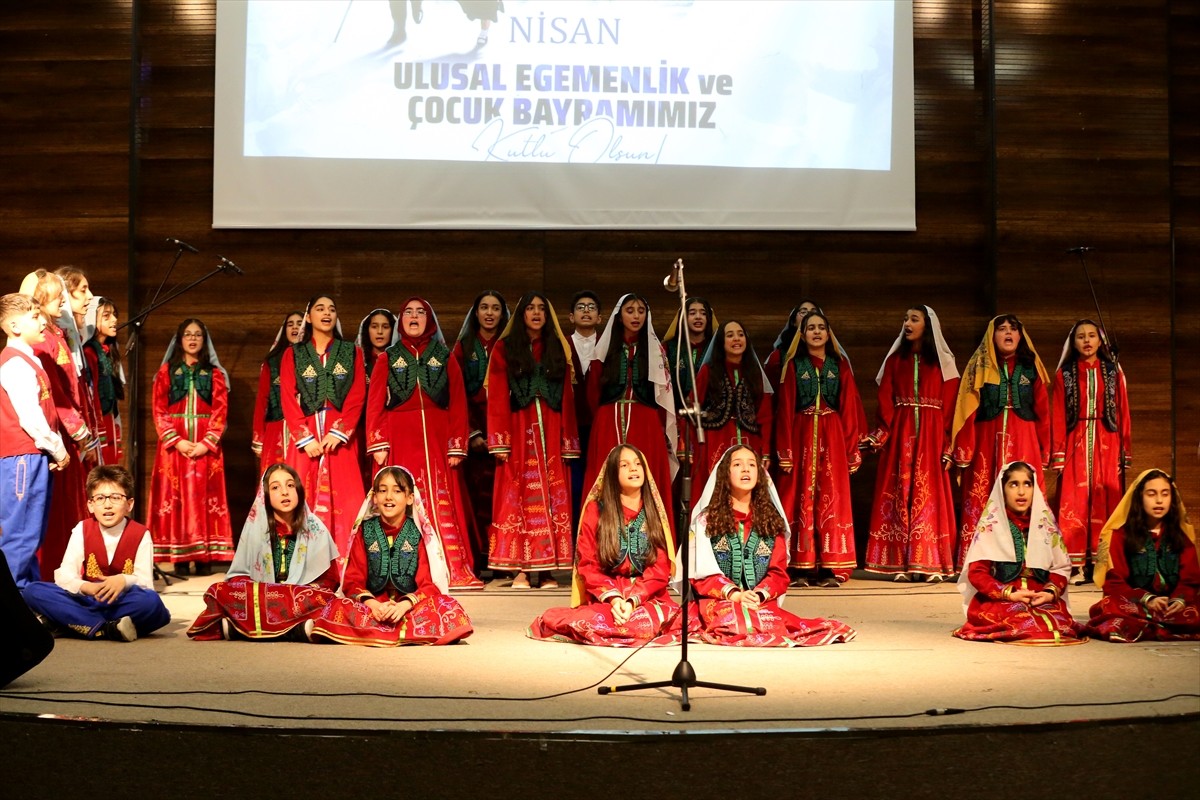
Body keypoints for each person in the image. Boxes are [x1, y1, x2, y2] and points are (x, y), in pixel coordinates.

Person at [681, 445, 857, 647]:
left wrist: (759, 594)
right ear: (724, 474)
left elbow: (778, 573)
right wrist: (736, 595)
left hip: (759, 601)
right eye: (737, 464)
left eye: (752, 465)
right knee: (734, 623)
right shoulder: (706, 520)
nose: (746, 469)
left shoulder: (771, 521)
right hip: (720, 600)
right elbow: (700, 573)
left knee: (767, 623)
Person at [365, 297, 482, 589]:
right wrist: (378, 443)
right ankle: (407, 570)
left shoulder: (444, 356)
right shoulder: (387, 358)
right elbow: (375, 405)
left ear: (429, 319)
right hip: (401, 436)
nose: (414, 317)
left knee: (444, 498)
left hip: (439, 436)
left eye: (420, 312)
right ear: (401, 320)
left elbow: (458, 403)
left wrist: (457, 443)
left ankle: (452, 568)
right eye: (408, 312)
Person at [529, 445, 684, 646]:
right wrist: (616, 600)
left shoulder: (654, 512)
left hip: (646, 595)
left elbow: (660, 567)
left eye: (638, 464)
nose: (634, 469)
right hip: (609, 595)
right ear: (612, 473)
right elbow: (588, 565)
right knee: (594, 620)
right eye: (625, 465)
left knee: (678, 619)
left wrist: (633, 600)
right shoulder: (596, 511)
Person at [310, 466, 473, 646]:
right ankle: (406, 634)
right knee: (336, 608)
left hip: (410, 608)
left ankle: (373, 633)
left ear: (410, 498)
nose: (389, 497)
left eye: (397, 491)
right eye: (382, 490)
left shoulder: (419, 534)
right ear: (374, 497)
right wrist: (374, 606)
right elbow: (352, 580)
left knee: (450, 608)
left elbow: (427, 583)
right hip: (372, 607)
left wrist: (403, 606)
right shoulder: (364, 531)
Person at [486, 292, 579, 589]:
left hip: (551, 428)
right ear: (522, 313)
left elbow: (566, 396)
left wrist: (568, 439)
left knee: (551, 496)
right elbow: (498, 393)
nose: (536, 313)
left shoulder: (557, 346)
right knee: (519, 495)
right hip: (518, 424)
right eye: (530, 308)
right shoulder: (505, 347)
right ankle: (521, 570)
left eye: (541, 308)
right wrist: (499, 439)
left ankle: (548, 571)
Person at [188, 463, 340, 641]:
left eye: (290, 485)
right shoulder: (255, 530)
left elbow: (330, 580)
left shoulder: (316, 530)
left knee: (326, 600)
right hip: (263, 596)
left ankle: (240, 629)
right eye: (276, 487)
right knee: (218, 591)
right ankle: (296, 630)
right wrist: (265, 592)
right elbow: (238, 577)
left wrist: (300, 591)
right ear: (265, 496)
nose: (285, 492)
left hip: (298, 598)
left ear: (298, 490)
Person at [864, 305, 959, 581]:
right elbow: (885, 400)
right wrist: (883, 433)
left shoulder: (944, 365)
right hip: (901, 434)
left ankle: (931, 563)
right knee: (899, 492)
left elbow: (952, 407)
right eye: (905, 318)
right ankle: (898, 564)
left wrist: (948, 443)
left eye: (913, 319)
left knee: (929, 494)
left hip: (931, 436)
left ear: (927, 326)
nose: (907, 323)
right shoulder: (895, 362)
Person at [22, 465, 170, 642]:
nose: (107, 504)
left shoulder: (140, 534)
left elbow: (146, 582)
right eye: (100, 498)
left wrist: (123, 580)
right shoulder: (82, 529)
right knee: (33, 590)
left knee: (151, 603)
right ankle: (106, 629)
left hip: (121, 602)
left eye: (115, 497)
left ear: (129, 504)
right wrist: (86, 587)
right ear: (91, 505)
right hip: (88, 598)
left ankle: (71, 623)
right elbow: (65, 575)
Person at [774, 311, 866, 586]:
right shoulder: (793, 365)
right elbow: (785, 409)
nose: (816, 332)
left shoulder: (840, 366)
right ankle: (800, 568)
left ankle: (829, 567)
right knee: (801, 497)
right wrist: (785, 451)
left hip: (833, 437)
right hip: (802, 434)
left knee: (831, 498)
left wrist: (851, 450)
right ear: (801, 335)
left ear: (828, 333)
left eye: (821, 328)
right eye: (810, 328)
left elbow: (849, 408)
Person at [951, 314, 1051, 567]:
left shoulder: (1032, 367)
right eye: (1002, 329)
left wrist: (1046, 447)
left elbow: (1043, 410)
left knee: (1023, 492)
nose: (1008, 333)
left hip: (1024, 438)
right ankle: (980, 560)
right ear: (991, 337)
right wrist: (965, 448)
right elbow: (967, 410)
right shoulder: (979, 366)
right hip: (986, 440)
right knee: (984, 494)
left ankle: (1027, 559)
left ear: (1021, 335)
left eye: (1013, 329)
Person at [953, 461, 1085, 644]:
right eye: (1013, 484)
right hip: (1000, 600)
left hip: (1040, 597)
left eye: (1027, 484)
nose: (1021, 492)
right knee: (1022, 622)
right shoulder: (992, 527)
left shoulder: (1045, 526)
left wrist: (1049, 592)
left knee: (1058, 624)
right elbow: (977, 573)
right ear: (1003, 490)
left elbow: (1061, 567)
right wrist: (1009, 593)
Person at [279, 295, 367, 568]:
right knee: (299, 495)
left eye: (331, 309)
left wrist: (339, 432)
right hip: (305, 438)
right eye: (319, 308)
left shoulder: (352, 352)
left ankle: (346, 564)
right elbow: (287, 397)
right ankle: (301, 564)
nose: (326, 313)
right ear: (308, 317)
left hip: (338, 438)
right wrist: (304, 438)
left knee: (347, 499)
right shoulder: (293, 353)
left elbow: (356, 395)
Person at [20, 270, 94, 580]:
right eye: (55, 293)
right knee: (55, 512)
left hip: (68, 431)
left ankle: (65, 575)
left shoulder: (56, 335)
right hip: (57, 434)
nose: (62, 297)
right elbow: (56, 395)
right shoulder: (43, 341)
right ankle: (49, 578)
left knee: (67, 509)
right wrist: (77, 430)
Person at [583, 293, 677, 533]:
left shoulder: (656, 352)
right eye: (630, 310)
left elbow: (663, 396)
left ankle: (649, 545)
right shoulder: (604, 351)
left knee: (646, 479)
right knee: (605, 480)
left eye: (641, 311)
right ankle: (603, 543)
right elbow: (593, 393)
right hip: (607, 421)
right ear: (619, 315)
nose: (636, 316)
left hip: (646, 423)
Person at [149, 318, 235, 573]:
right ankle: (181, 558)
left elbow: (220, 410)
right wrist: (178, 441)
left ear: (204, 340)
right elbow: (159, 410)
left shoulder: (215, 373)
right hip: (174, 447)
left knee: (205, 497)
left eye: (198, 335)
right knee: (176, 498)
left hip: (205, 446)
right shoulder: (166, 372)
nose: (193, 339)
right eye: (188, 334)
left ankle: (205, 556)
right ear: (180, 339)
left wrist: (206, 444)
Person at [1050, 319, 1132, 582]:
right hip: (1076, 437)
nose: (1086, 341)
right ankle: (1073, 564)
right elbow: (1058, 414)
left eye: (1092, 336)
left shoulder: (1113, 372)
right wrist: (1059, 451)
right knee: (1074, 499)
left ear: (1100, 340)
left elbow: (1122, 413)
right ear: (1073, 343)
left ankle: (1101, 563)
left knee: (1104, 498)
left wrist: (1124, 449)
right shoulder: (1065, 374)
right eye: (1080, 337)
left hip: (1106, 441)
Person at [0, 293, 68, 588]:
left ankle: (28, 597)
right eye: (35, 318)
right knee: (21, 534)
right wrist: (58, 448)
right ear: (14, 325)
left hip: (32, 457)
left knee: (31, 533)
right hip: (22, 458)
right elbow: (30, 417)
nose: (43, 322)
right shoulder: (15, 364)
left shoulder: (28, 360)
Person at [1086, 470, 1200, 642]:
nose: (1159, 501)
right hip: (1137, 605)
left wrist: (1179, 600)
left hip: (1172, 606)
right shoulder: (1120, 535)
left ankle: (1151, 626)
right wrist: (1147, 599)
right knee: (1110, 606)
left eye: (1165, 494)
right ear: (1139, 498)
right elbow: (1114, 582)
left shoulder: (1180, 535)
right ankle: (1165, 627)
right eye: (1151, 494)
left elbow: (1190, 579)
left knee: (1193, 608)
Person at [452, 291, 507, 571]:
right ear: (475, 313)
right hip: (473, 434)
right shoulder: (464, 347)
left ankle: (502, 559)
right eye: (484, 307)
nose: (489, 313)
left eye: (495, 308)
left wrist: (502, 435)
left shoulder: (510, 344)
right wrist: (472, 433)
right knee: (475, 498)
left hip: (505, 435)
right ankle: (478, 558)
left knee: (503, 498)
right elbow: (456, 393)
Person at [686, 319, 773, 483]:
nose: (736, 339)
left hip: (749, 439)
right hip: (714, 439)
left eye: (741, 335)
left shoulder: (755, 372)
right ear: (721, 342)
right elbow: (693, 407)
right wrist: (689, 446)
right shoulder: (708, 371)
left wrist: (766, 450)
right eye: (730, 335)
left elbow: (765, 415)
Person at [251, 310, 305, 477]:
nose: (295, 327)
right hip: (276, 427)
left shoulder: (314, 359)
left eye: (299, 323)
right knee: (274, 476)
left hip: (306, 430)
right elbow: (262, 399)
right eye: (290, 324)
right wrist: (258, 436)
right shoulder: (273, 361)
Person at [81, 297, 125, 466]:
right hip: (97, 421)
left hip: (108, 419)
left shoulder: (108, 350)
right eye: (106, 316)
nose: (114, 320)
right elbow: (90, 395)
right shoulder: (90, 353)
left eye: (114, 315)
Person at [663, 296, 716, 412]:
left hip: (710, 415)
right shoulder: (669, 348)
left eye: (703, 313)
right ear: (683, 318)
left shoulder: (716, 348)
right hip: (675, 413)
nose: (698, 317)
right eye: (692, 313)